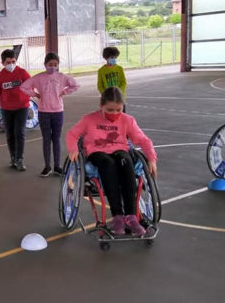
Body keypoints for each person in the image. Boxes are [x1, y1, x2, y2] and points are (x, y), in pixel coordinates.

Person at [66, 87, 157, 236]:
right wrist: (73, 149)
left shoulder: (127, 120)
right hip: (97, 152)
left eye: (118, 110)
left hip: (119, 151)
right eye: (110, 110)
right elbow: (72, 134)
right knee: (108, 164)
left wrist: (152, 159)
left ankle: (131, 216)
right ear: (101, 105)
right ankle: (117, 216)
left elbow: (143, 140)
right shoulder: (89, 119)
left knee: (125, 160)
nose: (114, 114)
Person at [21, 52, 80, 177]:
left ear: (58, 65)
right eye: (50, 64)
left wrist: (64, 92)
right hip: (43, 112)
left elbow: (76, 85)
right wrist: (35, 94)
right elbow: (24, 87)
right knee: (46, 139)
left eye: (55, 64)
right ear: (45, 64)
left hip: (58, 111)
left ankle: (57, 166)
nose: (53, 67)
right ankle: (47, 166)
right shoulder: (38, 78)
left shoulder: (62, 77)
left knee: (56, 139)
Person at [0, 49, 31, 171]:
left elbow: (30, 85)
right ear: (3, 63)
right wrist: (5, 100)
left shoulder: (22, 73)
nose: (11, 64)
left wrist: (24, 98)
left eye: (13, 61)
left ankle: (20, 158)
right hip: (7, 108)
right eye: (8, 62)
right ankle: (13, 157)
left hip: (22, 107)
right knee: (10, 134)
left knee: (19, 132)